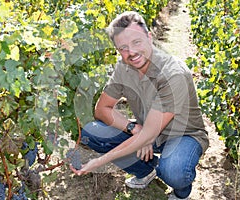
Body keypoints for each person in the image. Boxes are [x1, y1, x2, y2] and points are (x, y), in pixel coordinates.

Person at [70, 11, 209, 200]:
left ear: (149, 37)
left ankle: (181, 191)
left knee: (174, 171)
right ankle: (146, 170)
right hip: (148, 128)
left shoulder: (172, 74)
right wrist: (134, 128)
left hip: (183, 135)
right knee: (91, 132)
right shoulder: (123, 68)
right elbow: (102, 110)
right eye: (123, 48)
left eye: (137, 42)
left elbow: (149, 134)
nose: (131, 52)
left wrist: (97, 162)